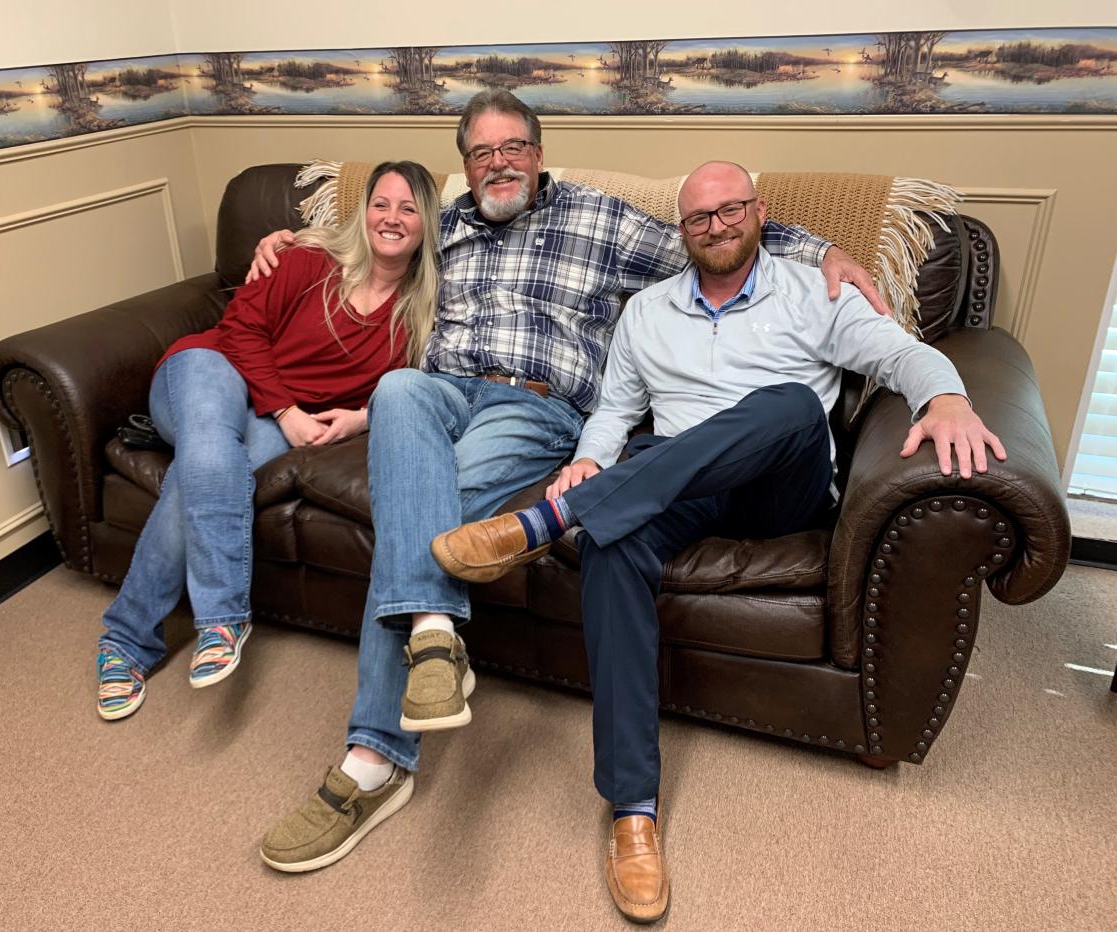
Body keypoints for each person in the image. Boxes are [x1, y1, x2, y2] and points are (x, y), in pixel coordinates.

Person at [251, 91, 889, 875]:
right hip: (441, 390)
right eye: (482, 154)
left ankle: (372, 761)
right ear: (465, 168)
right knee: (395, 393)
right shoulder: (444, 225)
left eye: (513, 147)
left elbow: (715, 239)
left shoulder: (602, 219)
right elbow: (370, 236)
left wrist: (822, 250)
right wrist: (287, 238)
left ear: (539, 152)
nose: (500, 164)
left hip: (534, 405)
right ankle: (434, 636)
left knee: (421, 513)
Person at [431, 160, 1005, 922]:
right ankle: (633, 811)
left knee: (791, 405)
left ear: (758, 212)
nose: (717, 227)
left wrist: (948, 397)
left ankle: (541, 524)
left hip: (779, 490)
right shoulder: (647, 312)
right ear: (683, 231)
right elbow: (613, 409)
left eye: (731, 210)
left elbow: (901, 353)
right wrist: (588, 460)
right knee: (614, 542)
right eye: (700, 218)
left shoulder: (813, 292)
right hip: (677, 486)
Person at [95, 161, 440, 721]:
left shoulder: (422, 315)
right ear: (363, 211)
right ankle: (221, 620)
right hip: (210, 371)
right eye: (381, 203)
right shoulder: (307, 259)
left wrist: (359, 417)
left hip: (272, 419)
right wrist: (286, 409)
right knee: (209, 449)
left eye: (408, 208)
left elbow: (423, 391)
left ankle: (123, 640)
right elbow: (239, 330)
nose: (391, 218)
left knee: (204, 476)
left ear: (427, 224)